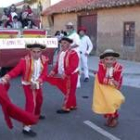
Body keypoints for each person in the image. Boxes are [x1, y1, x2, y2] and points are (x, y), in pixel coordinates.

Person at [1, 43, 49, 137]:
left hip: (38, 84)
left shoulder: (44, 60)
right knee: (31, 103)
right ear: (30, 51)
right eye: (33, 52)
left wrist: (39, 81)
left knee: (39, 100)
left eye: (38, 52)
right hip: (28, 85)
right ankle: (26, 127)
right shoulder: (24, 61)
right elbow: (16, 71)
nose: (36, 54)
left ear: (41, 52)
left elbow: (44, 74)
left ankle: (36, 115)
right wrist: (6, 77)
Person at [92, 49, 125, 127]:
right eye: (107, 59)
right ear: (103, 60)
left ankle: (114, 118)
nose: (109, 61)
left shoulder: (119, 67)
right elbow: (100, 79)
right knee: (105, 100)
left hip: (114, 86)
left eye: (111, 59)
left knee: (112, 101)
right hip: (104, 85)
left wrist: (111, 81)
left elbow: (117, 82)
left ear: (115, 59)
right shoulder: (101, 64)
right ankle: (109, 117)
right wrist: (110, 80)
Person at [47, 37, 79, 114]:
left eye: (64, 43)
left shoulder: (73, 53)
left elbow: (73, 66)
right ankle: (73, 104)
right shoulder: (61, 53)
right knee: (69, 91)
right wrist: (53, 71)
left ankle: (66, 107)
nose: (62, 44)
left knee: (69, 91)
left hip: (71, 75)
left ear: (69, 44)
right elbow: (58, 64)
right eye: (61, 43)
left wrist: (66, 73)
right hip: (63, 74)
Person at [65, 22, 81, 87]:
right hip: (70, 53)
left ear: (72, 27)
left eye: (69, 27)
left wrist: (70, 47)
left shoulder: (75, 35)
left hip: (75, 53)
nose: (68, 28)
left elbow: (77, 44)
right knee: (70, 68)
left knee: (76, 68)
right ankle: (71, 81)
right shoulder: (68, 35)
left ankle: (77, 83)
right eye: (67, 27)